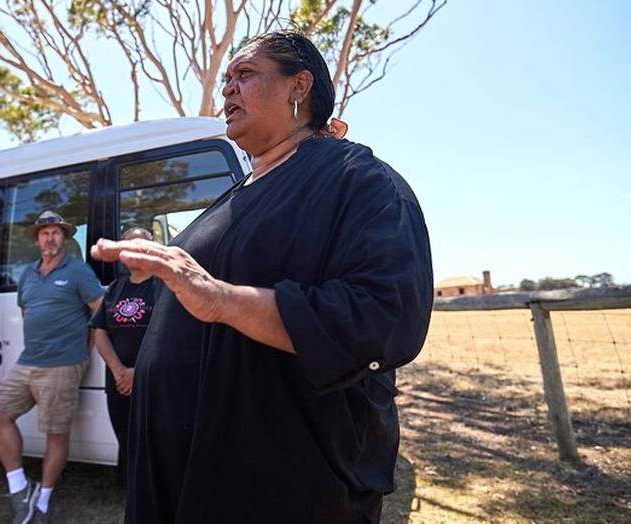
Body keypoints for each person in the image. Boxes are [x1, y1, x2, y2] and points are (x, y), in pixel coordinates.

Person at [90, 30, 434, 524]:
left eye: (245, 75)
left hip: (278, 483)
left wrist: (220, 298)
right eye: (226, 78)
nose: (226, 89)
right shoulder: (236, 193)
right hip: (179, 475)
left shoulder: (360, 180)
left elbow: (383, 316)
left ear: (299, 87)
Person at [0, 210, 104, 524]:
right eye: (44, 233)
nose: (50, 238)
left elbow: (100, 312)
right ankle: (20, 488)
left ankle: (44, 501)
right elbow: (27, 311)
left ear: (65, 238)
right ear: (37, 240)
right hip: (28, 362)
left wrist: (82, 349)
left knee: (55, 434)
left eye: (56, 232)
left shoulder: (78, 271)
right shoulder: (28, 273)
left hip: (63, 364)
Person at [88, 227, 157, 487]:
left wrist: (138, 373)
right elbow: (99, 331)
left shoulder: (164, 285)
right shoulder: (116, 287)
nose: (134, 250)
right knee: (127, 441)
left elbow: (170, 337)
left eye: (141, 244)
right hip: (118, 384)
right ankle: (134, 498)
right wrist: (119, 371)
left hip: (152, 381)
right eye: (127, 245)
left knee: (154, 442)